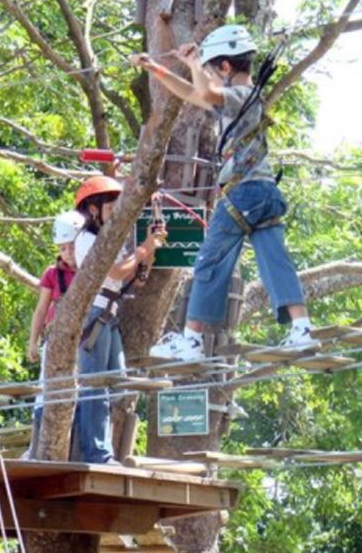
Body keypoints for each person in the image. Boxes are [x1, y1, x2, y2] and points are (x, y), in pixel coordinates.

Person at [130, 25, 312, 361]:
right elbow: (195, 93)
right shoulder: (242, 100)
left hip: (244, 194)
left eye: (213, 70)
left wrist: (195, 62)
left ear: (225, 67)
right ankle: (301, 328)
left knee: (210, 260)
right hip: (264, 193)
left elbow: (208, 92)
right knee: (275, 258)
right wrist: (156, 68)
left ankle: (192, 340)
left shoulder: (241, 96)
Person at [72, 176, 165, 464]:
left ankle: (91, 442)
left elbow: (136, 277)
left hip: (108, 315)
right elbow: (115, 273)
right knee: (96, 384)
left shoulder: (110, 242)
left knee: (117, 382)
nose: (115, 213)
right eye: (111, 208)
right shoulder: (87, 240)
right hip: (95, 313)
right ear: (93, 210)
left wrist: (150, 249)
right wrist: (144, 247)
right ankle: (97, 452)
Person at [23, 209, 84, 460]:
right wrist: (33, 342)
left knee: (78, 391)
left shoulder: (90, 271)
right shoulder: (53, 274)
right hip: (55, 339)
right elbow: (41, 310)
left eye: (72, 247)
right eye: (62, 248)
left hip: (83, 341)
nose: (67, 253)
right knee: (45, 392)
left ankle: (75, 447)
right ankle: (36, 447)